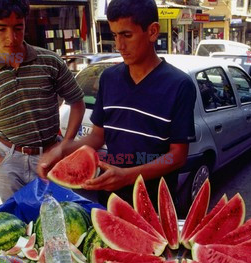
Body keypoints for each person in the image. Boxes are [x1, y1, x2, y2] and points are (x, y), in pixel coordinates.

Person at [38, 0, 196, 207]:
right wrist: (64, 150)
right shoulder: (109, 78)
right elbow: (97, 136)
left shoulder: (180, 85)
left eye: (127, 35)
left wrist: (128, 175)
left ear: (152, 31)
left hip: (155, 203)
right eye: (114, 35)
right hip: (110, 198)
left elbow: (176, 157)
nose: (119, 45)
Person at [0, 0, 85, 202]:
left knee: (60, 219)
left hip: (51, 154)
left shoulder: (50, 62)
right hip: (9, 161)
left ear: (24, 23)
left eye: (18, 28)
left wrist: (64, 146)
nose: (10, 38)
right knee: (18, 223)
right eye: (1, 28)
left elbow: (77, 103)